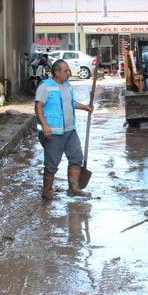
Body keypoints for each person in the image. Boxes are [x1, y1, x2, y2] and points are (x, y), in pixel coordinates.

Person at [35, 59, 94, 200]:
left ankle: (73, 188)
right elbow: (38, 107)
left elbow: (71, 103)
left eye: (68, 70)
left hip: (70, 130)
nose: (68, 72)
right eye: (66, 70)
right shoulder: (45, 86)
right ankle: (47, 191)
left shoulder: (67, 85)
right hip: (53, 132)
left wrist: (85, 107)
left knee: (76, 157)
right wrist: (45, 126)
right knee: (52, 163)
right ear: (56, 72)